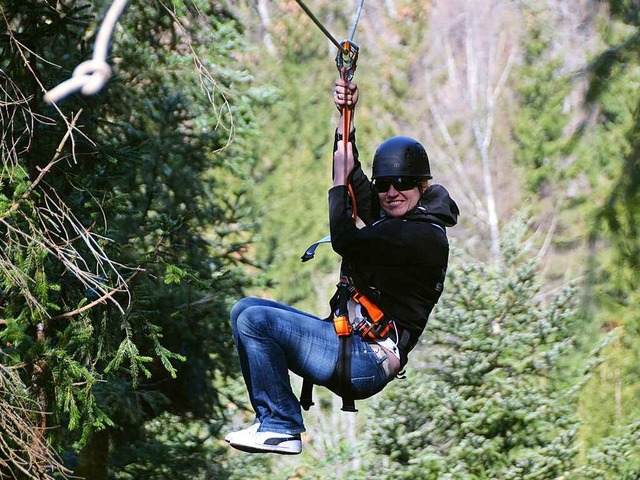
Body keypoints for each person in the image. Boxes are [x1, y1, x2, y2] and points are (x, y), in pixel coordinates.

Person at [225, 77, 459, 455]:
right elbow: (353, 177)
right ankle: (271, 418)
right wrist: (344, 116)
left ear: (422, 186)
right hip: (345, 340)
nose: (391, 193)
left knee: (257, 322)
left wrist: (336, 183)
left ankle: (281, 425)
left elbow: (345, 238)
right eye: (384, 185)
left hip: (366, 358)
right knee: (245, 310)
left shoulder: (421, 236)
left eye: (401, 183)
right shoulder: (394, 217)